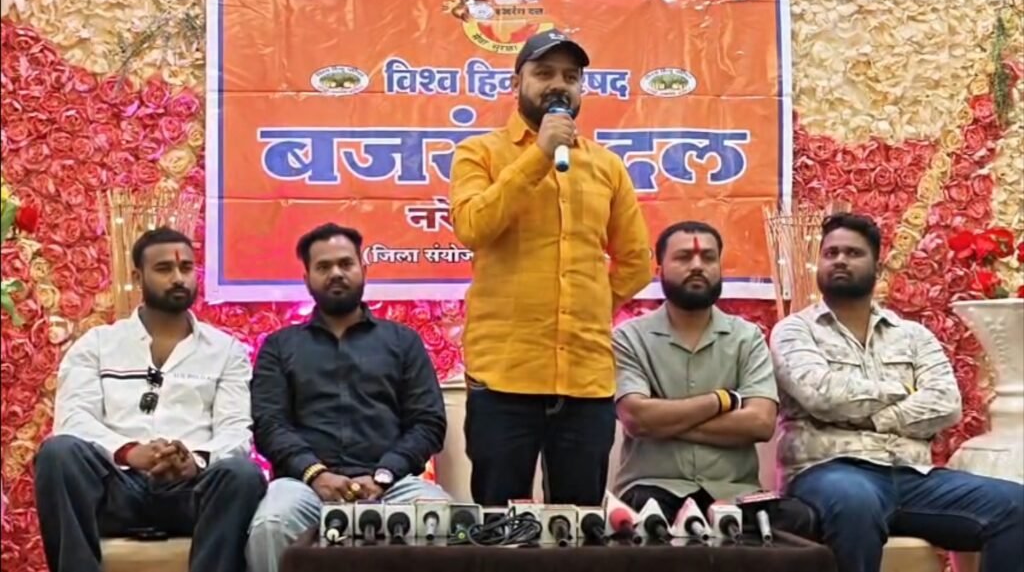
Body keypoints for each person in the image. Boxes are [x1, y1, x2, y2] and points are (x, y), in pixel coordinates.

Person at [449, 28, 652, 507]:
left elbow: (637, 262)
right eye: (544, 73)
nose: (559, 84)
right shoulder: (479, 153)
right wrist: (540, 154)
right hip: (504, 378)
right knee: (501, 525)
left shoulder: (607, 166)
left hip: (586, 379)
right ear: (516, 82)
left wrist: (589, 304)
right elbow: (472, 225)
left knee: (578, 525)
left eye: (570, 76)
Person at [770, 213, 1024, 572]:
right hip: (829, 471)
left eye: (853, 253)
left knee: (1016, 505)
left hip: (913, 476)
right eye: (831, 253)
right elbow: (820, 393)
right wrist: (904, 390)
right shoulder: (794, 331)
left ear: (877, 266)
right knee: (854, 502)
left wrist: (876, 418)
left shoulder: (912, 335)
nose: (840, 260)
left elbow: (946, 403)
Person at [35, 227, 266, 572]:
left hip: (190, 492)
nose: (178, 278)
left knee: (243, 473)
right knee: (58, 452)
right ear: (137, 277)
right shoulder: (97, 344)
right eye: (164, 269)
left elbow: (236, 430)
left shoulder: (226, 351)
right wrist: (130, 452)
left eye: (186, 268)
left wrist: (195, 462)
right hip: (116, 489)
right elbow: (74, 420)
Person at [246, 223, 449, 572]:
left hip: (392, 483)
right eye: (323, 267)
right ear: (307, 278)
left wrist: (385, 474)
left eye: (345, 263)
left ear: (363, 269)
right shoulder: (280, 346)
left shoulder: (402, 342)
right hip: (304, 485)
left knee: (441, 518)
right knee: (271, 525)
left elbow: (428, 423)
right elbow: (269, 424)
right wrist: (316, 474)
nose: (336, 273)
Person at [612, 222, 777, 518]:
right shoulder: (629, 337)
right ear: (659, 270)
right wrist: (721, 401)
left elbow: (760, 423)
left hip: (734, 491)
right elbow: (636, 418)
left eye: (708, 258)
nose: (698, 265)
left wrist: (664, 423)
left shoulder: (748, 337)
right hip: (652, 488)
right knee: (647, 521)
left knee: (796, 520)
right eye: (684, 257)